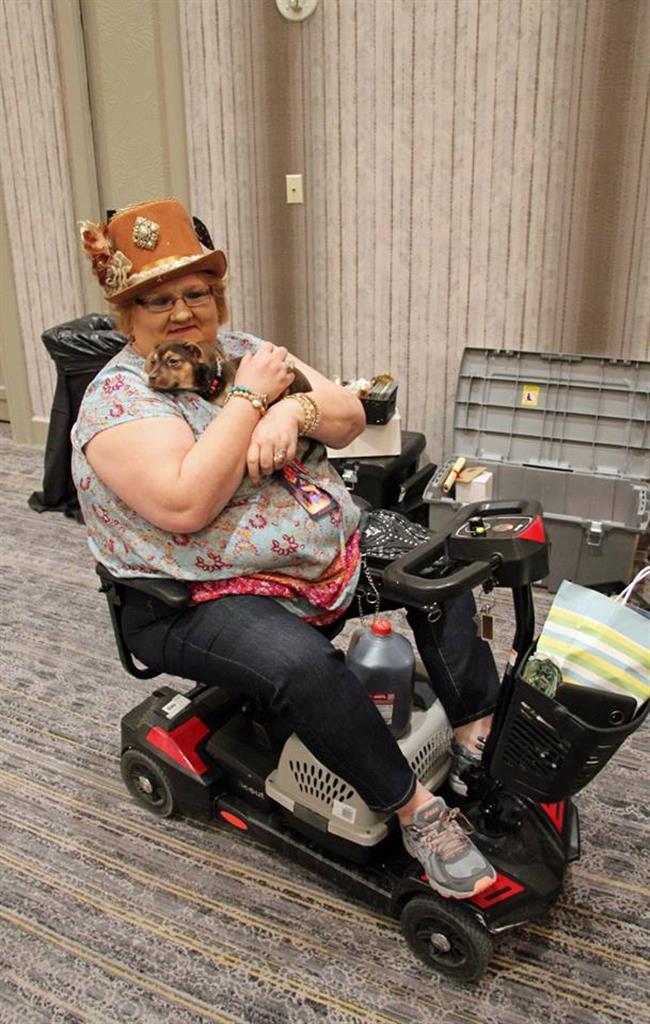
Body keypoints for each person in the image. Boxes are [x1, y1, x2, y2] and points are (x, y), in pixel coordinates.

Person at [71, 198, 501, 899]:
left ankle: (473, 728)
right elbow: (185, 503)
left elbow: (350, 415)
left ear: (217, 296)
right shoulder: (118, 401)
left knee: (436, 561)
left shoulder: (247, 351)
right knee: (302, 665)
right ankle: (415, 811)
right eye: (157, 300)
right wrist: (252, 401)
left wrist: (293, 409)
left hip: (312, 552)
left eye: (196, 293)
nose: (182, 312)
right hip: (188, 594)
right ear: (128, 312)